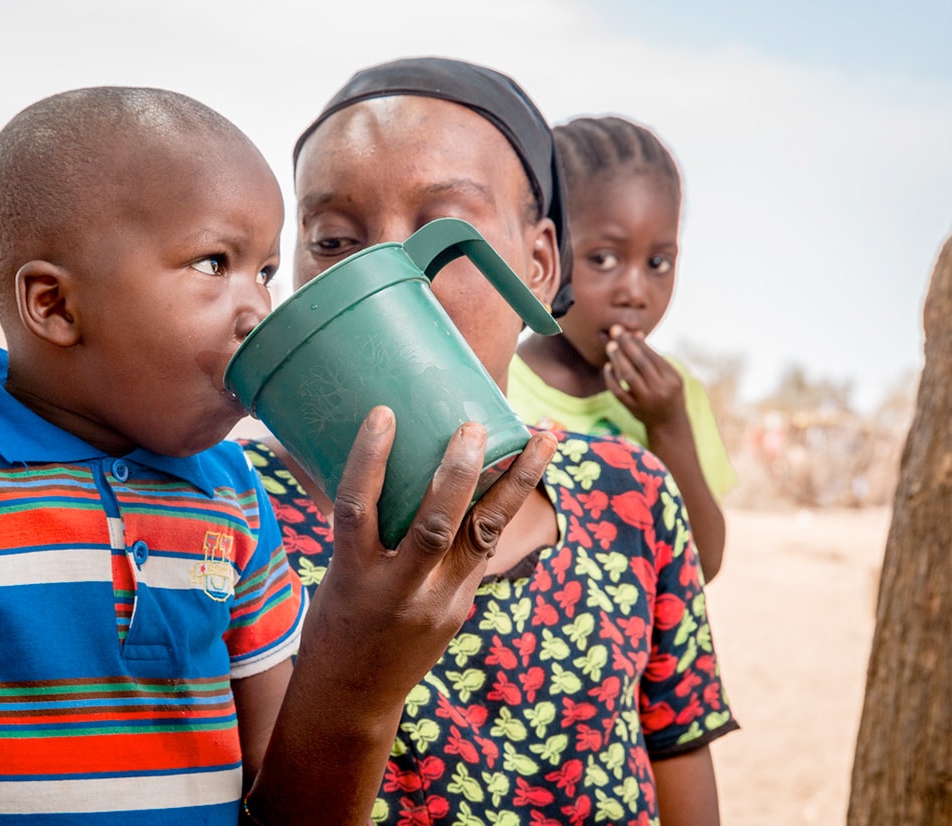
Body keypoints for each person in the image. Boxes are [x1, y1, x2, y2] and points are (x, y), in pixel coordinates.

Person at [0, 86, 559, 826]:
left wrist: (359, 660)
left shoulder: (234, 500)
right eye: (214, 263)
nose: (257, 311)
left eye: (266, 271)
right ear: (54, 304)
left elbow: (277, 785)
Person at [240, 57, 737, 825]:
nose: (379, 275)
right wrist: (350, 689)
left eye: (444, 234)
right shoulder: (221, 518)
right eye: (334, 240)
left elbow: (678, 760)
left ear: (539, 266)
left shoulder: (630, 496)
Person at [510, 116, 736, 583]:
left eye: (658, 262)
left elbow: (703, 565)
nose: (635, 291)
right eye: (605, 259)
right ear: (544, 251)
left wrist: (667, 426)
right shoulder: (497, 383)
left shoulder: (676, 395)